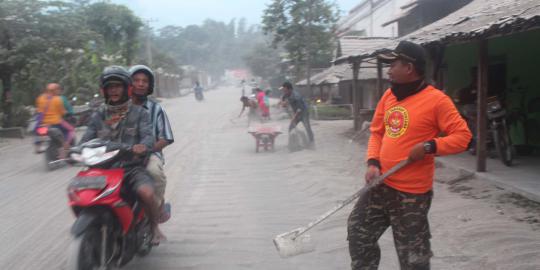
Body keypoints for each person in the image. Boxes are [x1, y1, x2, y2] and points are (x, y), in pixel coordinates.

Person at [347, 41, 472, 270]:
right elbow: (377, 132)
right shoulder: (389, 96)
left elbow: (463, 137)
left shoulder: (437, 100)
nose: (389, 70)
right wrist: (372, 162)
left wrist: (429, 146)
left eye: (393, 64)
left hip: (412, 195)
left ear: (409, 68)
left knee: (414, 258)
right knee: (358, 233)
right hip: (381, 183)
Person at [79, 66, 161, 244]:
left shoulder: (140, 113)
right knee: (80, 193)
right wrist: (76, 150)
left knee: (146, 192)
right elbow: (86, 139)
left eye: (118, 86)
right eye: (110, 87)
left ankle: (154, 227)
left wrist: (142, 146)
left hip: (131, 168)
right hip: (101, 169)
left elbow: (148, 137)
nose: (114, 90)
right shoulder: (98, 115)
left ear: (127, 89)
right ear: (104, 90)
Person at [130, 64, 174, 242]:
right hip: (121, 155)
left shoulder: (156, 109)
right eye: (136, 80)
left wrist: (146, 150)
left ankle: (154, 223)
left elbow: (167, 138)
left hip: (150, 154)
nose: (140, 84)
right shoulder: (119, 107)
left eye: (144, 81)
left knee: (155, 173)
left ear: (149, 86)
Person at [35, 83, 75, 157]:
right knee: (71, 129)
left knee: (38, 131)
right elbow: (62, 112)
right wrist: (65, 112)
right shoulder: (57, 99)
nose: (59, 91)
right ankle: (66, 145)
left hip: (43, 123)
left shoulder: (40, 98)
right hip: (56, 122)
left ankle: (38, 146)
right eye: (58, 89)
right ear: (55, 90)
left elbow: (39, 111)